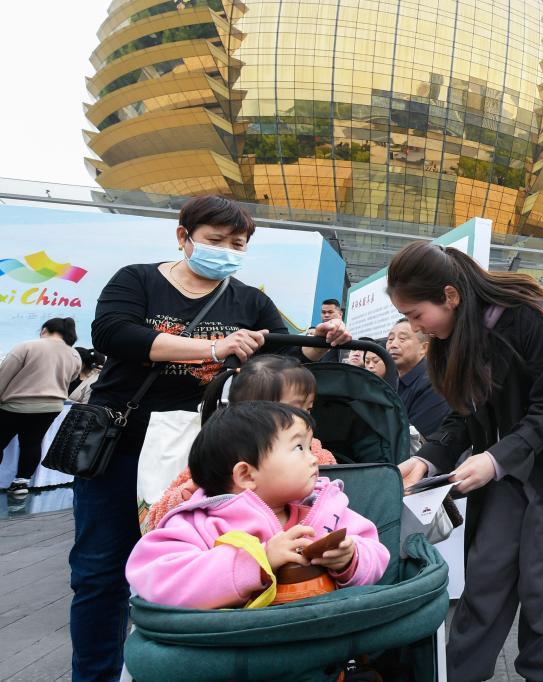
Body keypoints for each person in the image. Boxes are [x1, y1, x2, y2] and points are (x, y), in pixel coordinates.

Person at [70, 195, 351, 680]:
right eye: (215, 240)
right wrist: (212, 346)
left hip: (203, 452)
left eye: (237, 244)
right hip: (123, 443)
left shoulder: (249, 300)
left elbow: (285, 357)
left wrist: (320, 342)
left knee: (198, 561)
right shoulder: (137, 279)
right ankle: (94, 674)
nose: (226, 250)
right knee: (100, 571)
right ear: (184, 237)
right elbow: (115, 333)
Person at [388, 241, 543, 682]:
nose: (416, 328)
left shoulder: (524, 315)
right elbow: (462, 410)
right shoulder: (450, 336)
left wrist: (496, 458)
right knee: (485, 576)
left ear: (450, 296)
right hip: (506, 469)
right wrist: (428, 459)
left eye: (418, 315)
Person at [125, 402, 388, 609]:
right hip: (242, 655)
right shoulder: (202, 523)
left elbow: (377, 554)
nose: (313, 458)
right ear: (247, 475)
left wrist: (350, 560)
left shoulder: (325, 508)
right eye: (299, 447)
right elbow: (158, 579)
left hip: (321, 645)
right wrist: (256, 562)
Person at [144, 355, 338, 532]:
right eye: (295, 409)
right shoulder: (220, 456)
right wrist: (194, 488)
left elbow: (334, 504)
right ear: (249, 410)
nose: (304, 417)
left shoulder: (317, 454)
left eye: (308, 408)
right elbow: (158, 519)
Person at [0, 318, 82, 495]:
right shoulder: (74, 354)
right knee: (32, 443)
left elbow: (4, 374)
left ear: (45, 329)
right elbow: (72, 378)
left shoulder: (27, 346)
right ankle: (21, 483)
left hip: (16, 405)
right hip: (51, 407)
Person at [386, 319, 450, 438]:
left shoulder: (434, 384)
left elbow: (411, 440)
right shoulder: (391, 383)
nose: (393, 345)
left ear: (424, 348)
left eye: (402, 339)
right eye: (390, 339)